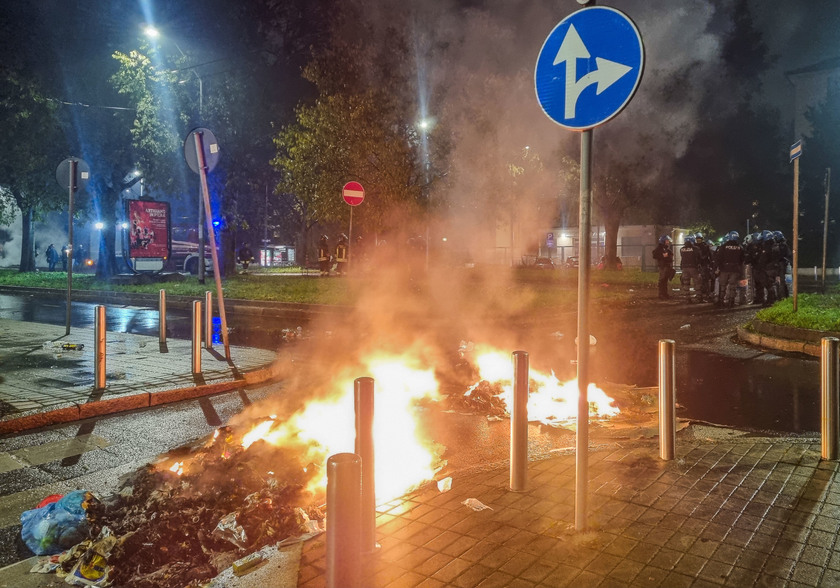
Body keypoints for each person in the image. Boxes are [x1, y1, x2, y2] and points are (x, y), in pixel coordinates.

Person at [715, 231, 745, 308]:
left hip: (724, 269)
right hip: (735, 269)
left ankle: (721, 301)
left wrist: (719, 267)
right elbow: (742, 259)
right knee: (733, 286)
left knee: (722, 286)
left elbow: (718, 258)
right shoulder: (740, 247)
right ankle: (731, 302)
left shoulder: (724, 246)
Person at [679, 235, 701, 303]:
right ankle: (699, 298)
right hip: (693, 267)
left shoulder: (681, 249)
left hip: (684, 268)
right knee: (697, 283)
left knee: (686, 284)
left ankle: (687, 299)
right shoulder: (696, 249)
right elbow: (699, 257)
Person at [652, 235, 675, 300]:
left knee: (665, 281)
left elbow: (670, 254)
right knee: (662, 281)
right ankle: (661, 294)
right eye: (667, 241)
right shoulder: (659, 248)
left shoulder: (666, 248)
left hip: (667, 266)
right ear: (663, 241)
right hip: (663, 267)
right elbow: (654, 255)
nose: (668, 242)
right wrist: (662, 256)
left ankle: (665, 294)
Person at [694, 233, 713, 302]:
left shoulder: (705, 246)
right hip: (697, 265)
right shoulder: (694, 246)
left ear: (702, 239)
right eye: (697, 239)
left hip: (704, 265)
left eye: (699, 239)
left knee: (706, 279)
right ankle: (700, 293)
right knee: (698, 280)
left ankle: (707, 293)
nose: (698, 240)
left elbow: (709, 255)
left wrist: (710, 264)